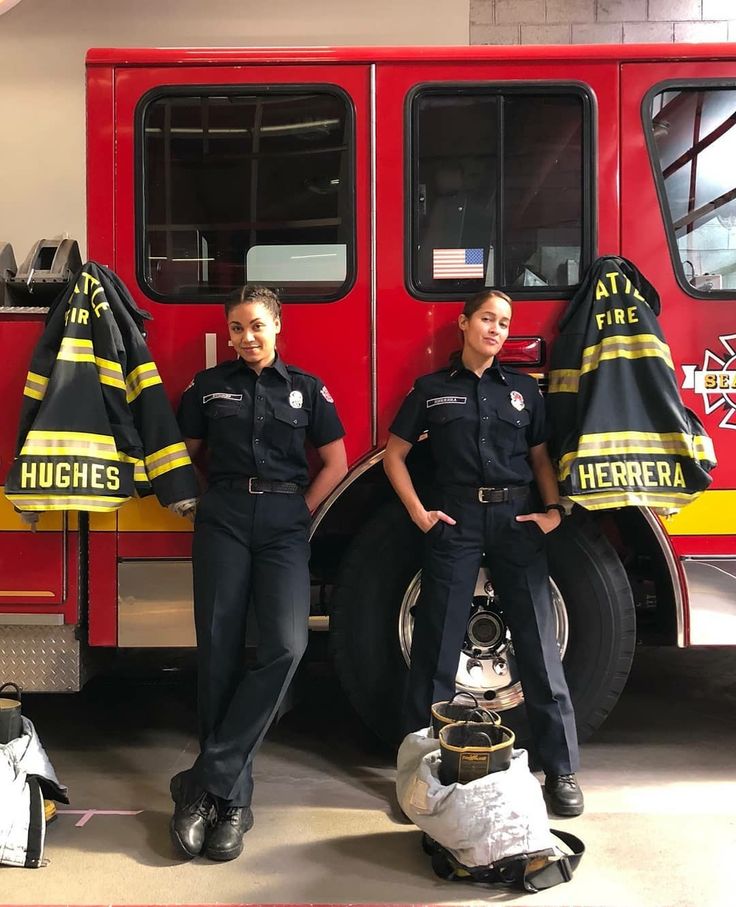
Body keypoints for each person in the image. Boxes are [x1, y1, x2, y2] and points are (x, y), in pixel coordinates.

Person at [383, 289, 583, 817]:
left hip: (517, 520)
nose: (496, 329)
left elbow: (541, 458)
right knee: (435, 650)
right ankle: (417, 773)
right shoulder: (431, 390)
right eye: (488, 319)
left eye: (505, 322)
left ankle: (560, 770)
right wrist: (419, 513)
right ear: (464, 323)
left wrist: (554, 510)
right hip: (456, 521)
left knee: (540, 644)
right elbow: (394, 455)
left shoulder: (523, 391)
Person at [171, 285, 348, 861]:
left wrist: (301, 510)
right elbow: (188, 454)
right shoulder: (207, 387)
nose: (248, 337)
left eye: (257, 326)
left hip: (284, 522)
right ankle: (231, 805)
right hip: (222, 518)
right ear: (227, 334)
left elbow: (337, 462)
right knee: (219, 652)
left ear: (278, 327)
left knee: (287, 646)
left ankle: (204, 780)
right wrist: (216, 501)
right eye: (238, 328)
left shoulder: (307, 389)